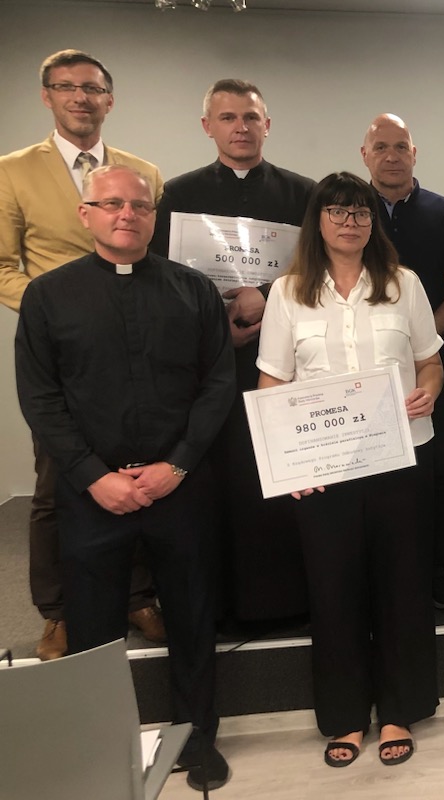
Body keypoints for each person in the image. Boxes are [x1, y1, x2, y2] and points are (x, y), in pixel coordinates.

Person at [15, 164, 235, 791]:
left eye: (139, 205)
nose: (126, 214)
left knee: (192, 616)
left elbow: (217, 384)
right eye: (111, 204)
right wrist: (92, 476)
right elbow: (40, 398)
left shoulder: (194, 291)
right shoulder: (47, 296)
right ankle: (103, 748)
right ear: (85, 214)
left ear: (153, 218)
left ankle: (197, 738)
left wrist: (177, 464)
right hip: (93, 494)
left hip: (179, 487)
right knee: (93, 628)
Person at [256, 172, 444, 766]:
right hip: (324, 469)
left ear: (373, 222)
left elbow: (430, 361)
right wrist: (287, 467)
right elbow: (272, 381)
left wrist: (430, 391)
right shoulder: (287, 292)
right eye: (336, 211)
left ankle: (398, 711)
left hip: (399, 458)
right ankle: (344, 717)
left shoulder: (403, 284)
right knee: (334, 590)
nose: (349, 222)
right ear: (317, 220)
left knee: (402, 586)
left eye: (360, 212)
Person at [0, 48, 165, 661]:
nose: (80, 98)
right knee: (57, 482)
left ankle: (138, 596)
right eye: (66, 87)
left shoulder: (142, 172)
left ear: (108, 99)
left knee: (139, 471)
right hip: (65, 350)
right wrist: (58, 307)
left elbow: (156, 257)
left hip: (141, 343)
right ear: (46, 95)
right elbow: (1, 265)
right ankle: (58, 611)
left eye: (92, 88)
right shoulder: (13, 171)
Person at [151, 78, 316, 622]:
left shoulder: (304, 193)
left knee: (278, 475)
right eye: (227, 118)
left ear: (267, 124)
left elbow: (319, 267)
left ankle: (285, 602)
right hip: (205, 360)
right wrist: (218, 323)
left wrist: (265, 294)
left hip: (285, 358)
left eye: (250, 117)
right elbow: (163, 276)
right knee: (215, 479)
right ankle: (218, 606)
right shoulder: (178, 194)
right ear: (208, 126)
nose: (240, 127)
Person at [362, 113, 444, 610]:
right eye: (381, 147)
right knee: (370, 471)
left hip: (432, 367)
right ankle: (377, 576)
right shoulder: (349, 211)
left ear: (414, 153)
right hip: (363, 370)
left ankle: (434, 574)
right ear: (365, 155)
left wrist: (418, 347)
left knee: (434, 472)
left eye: (401, 147)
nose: (392, 156)